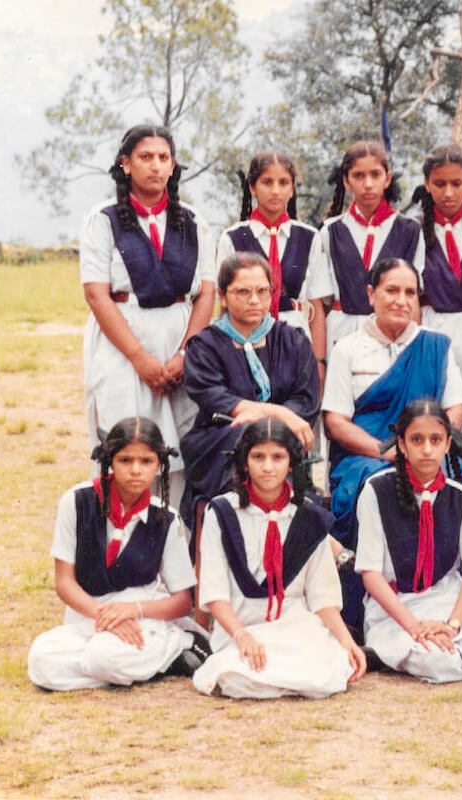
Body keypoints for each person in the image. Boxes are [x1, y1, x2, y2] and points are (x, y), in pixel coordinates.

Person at [80, 124, 215, 509]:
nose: (155, 166)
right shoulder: (102, 220)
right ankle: (123, 545)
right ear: (125, 164)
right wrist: (140, 358)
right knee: (128, 445)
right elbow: (95, 293)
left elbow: (207, 291)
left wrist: (185, 355)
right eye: (145, 157)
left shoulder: (191, 220)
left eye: (163, 158)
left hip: (179, 338)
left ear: (173, 166)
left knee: (181, 447)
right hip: (123, 342)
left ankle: (178, 545)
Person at [28, 418, 207, 691]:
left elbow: (183, 601)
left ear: (159, 464)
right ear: (110, 460)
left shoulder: (166, 518)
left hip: (142, 616)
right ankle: (156, 664)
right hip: (89, 613)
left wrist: (132, 610)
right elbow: (64, 582)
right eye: (125, 460)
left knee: (103, 657)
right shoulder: (76, 502)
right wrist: (104, 617)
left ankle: (177, 644)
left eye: (146, 461)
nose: (136, 470)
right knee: (42, 661)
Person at [192, 418, 366, 698]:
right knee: (236, 678)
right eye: (258, 456)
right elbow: (214, 592)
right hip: (242, 626)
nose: (268, 467)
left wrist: (347, 642)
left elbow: (322, 596)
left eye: (278, 457)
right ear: (244, 461)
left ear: (291, 462)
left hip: (293, 627)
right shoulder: (222, 512)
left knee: (328, 674)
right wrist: (241, 636)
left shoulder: (308, 516)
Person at [354, 400, 462, 682]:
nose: (427, 449)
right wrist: (414, 627)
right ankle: (423, 647)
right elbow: (371, 575)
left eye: (435, 440)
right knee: (439, 662)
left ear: (448, 443)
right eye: (417, 440)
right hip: (396, 606)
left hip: (446, 600)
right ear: (402, 445)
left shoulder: (460, 496)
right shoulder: (375, 490)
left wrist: (452, 625)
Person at [322, 258, 462, 546]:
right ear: (371, 294)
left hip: (428, 453)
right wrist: (386, 453)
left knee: (454, 491)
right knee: (378, 485)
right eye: (392, 291)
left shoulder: (436, 345)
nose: (402, 301)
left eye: (410, 293)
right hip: (367, 457)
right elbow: (335, 423)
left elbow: (455, 409)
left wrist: (427, 447)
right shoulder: (347, 349)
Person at [180, 252, 319, 526]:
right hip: (219, 438)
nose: (254, 300)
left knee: (267, 443)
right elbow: (212, 396)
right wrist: (277, 414)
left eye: (262, 291)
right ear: (223, 295)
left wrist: (272, 420)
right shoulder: (205, 345)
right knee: (246, 435)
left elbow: (306, 399)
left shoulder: (293, 340)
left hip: (283, 438)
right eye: (243, 291)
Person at [410, 145, 462, 458]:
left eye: (456, 184)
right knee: (430, 404)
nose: (448, 192)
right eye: (439, 184)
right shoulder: (413, 231)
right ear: (427, 185)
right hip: (430, 323)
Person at [305, 141, 422, 353]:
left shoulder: (410, 230)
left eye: (375, 175)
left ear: (387, 179)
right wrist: (319, 362)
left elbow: (414, 301)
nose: (368, 184)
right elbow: (319, 303)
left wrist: (412, 352)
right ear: (347, 181)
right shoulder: (330, 231)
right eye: (359, 176)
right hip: (341, 335)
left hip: (394, 336)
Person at [216, 151, 321, 350]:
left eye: (283, 183)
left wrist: (319, 361)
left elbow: (316, 303)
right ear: (252, 188)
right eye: (267, 182)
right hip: (244, 337)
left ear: (292, 189)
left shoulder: (309, 237)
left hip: (294, 336)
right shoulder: (232, 237)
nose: (275, 191)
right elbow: (223, 303)